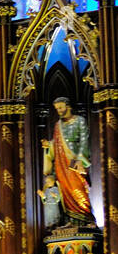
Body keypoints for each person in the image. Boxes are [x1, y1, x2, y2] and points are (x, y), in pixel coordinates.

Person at [43, 96, 93, 225]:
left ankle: (85, 217)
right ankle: (70, 219)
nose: (58, 110)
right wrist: (49, 145)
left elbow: (84, 141)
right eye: (56, 108)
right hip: (61, 164)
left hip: (75, 163)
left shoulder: (80, 121)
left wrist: (81, 160)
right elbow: (56, 143)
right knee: (64, 192)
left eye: (60, 107)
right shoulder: (57, 125)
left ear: (68, 106)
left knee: (78, 189)